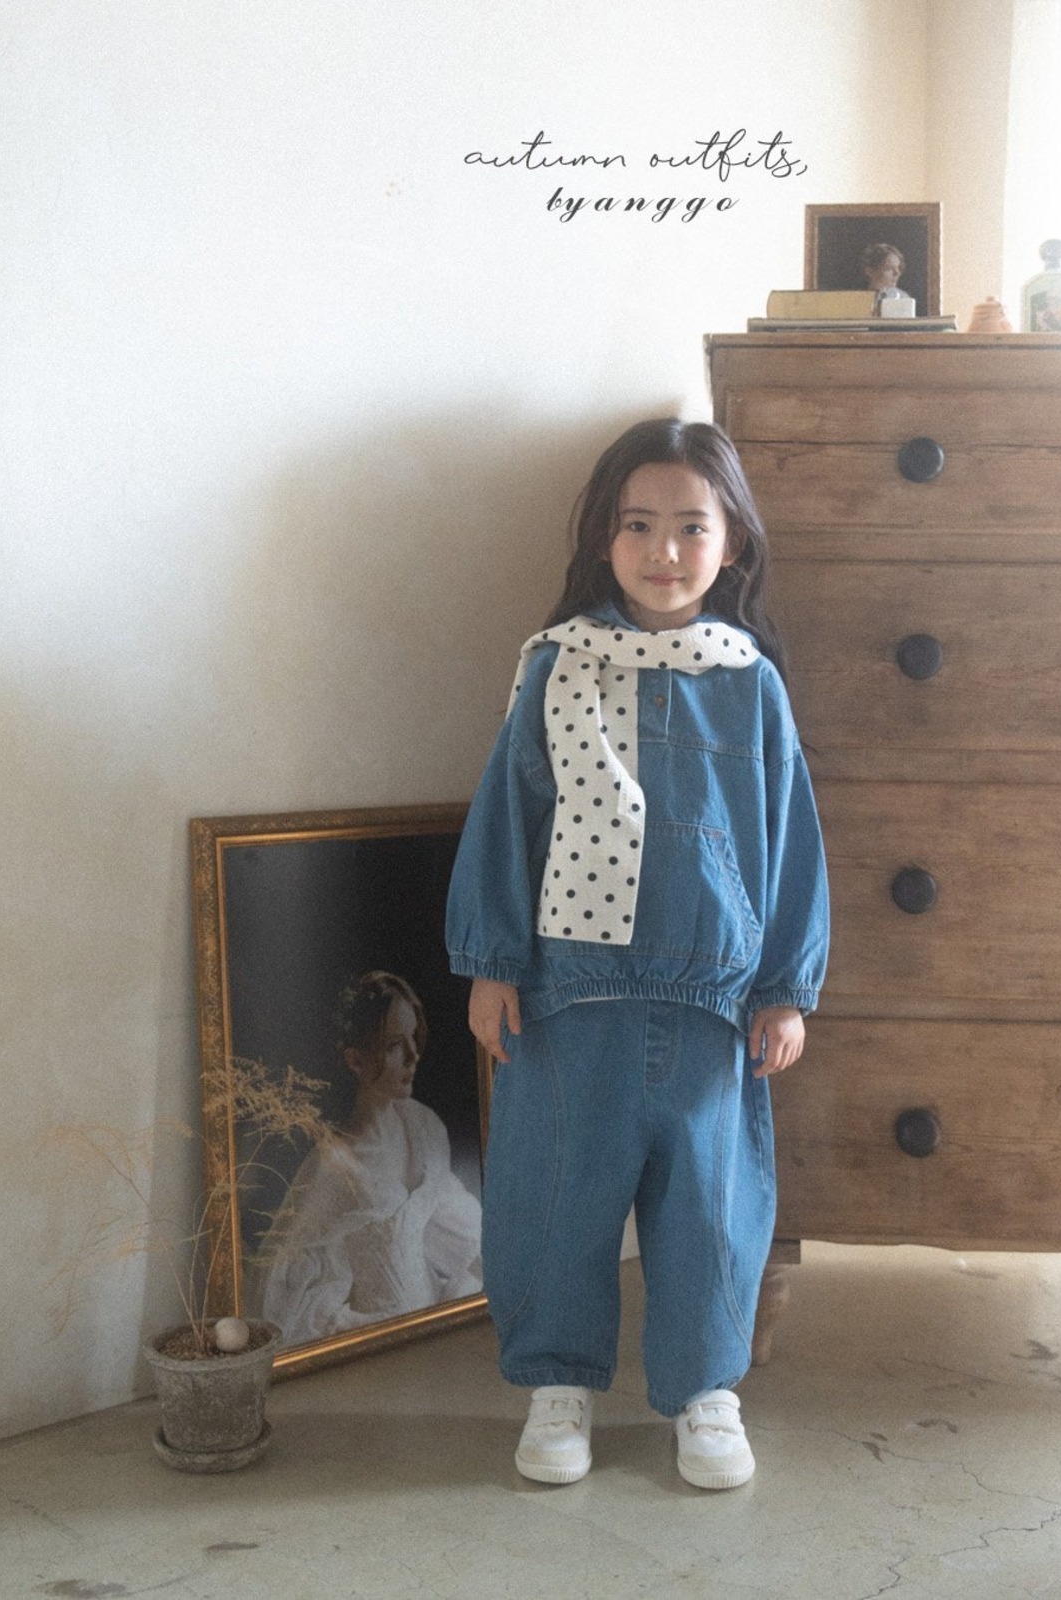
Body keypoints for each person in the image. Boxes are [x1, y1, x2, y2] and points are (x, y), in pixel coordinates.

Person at [446, 418, 829, 1490]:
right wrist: (490, 960)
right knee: (555, 1197)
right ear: (604, 538)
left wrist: (785, 986)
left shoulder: (747, 681)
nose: (664, 550)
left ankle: (705, 1391)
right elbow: (508, 815)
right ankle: (557, 1383)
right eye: (638, 525)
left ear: (732, 543)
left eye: (691, 527)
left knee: (709, 1208)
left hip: (712, 1004)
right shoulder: (558, 666)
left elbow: (790, 837)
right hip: (567, 1000)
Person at [248, 971, 483, 1346]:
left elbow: (458, 1229)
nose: (413, 1056)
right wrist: (365, 1326)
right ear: (355, 1060)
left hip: (437, 1319)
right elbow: (286, 1294)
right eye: (394, 1045)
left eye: (413, 1037)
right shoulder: (338, 1166)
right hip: (378, 1341)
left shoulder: (423, 1126)